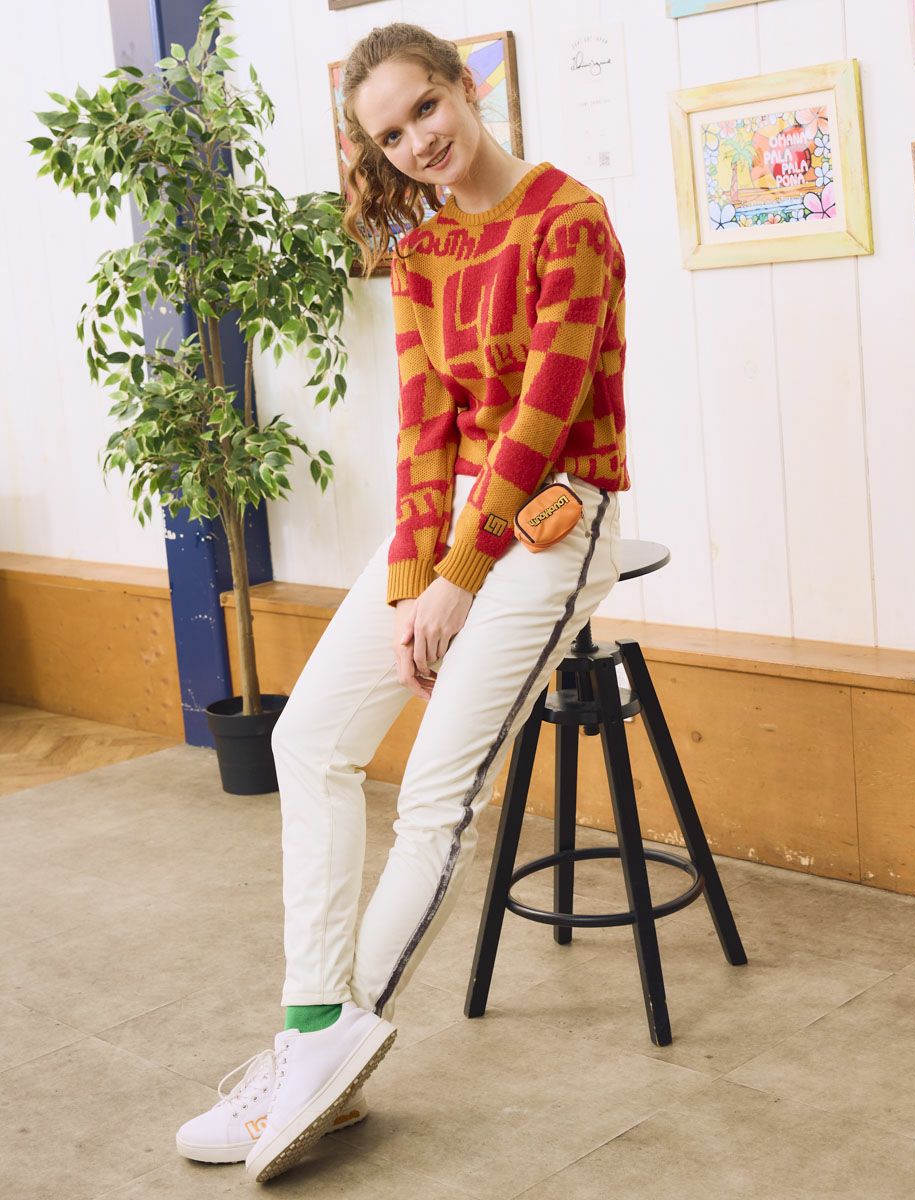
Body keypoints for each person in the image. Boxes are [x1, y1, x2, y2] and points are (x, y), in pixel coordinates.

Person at [176, 20, 630, 1184]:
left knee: (434, 796)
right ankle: (314, 1031)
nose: (418, 141)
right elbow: (424, 435)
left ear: (463, 86)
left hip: (557, 512)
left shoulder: (568, 217)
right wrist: (408, 588)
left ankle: (316, 1071)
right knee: (310, 739)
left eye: (425, 108)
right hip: (456, 524)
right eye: (390, 134)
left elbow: (541, 419)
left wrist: (456, 585)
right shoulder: (420, 255)